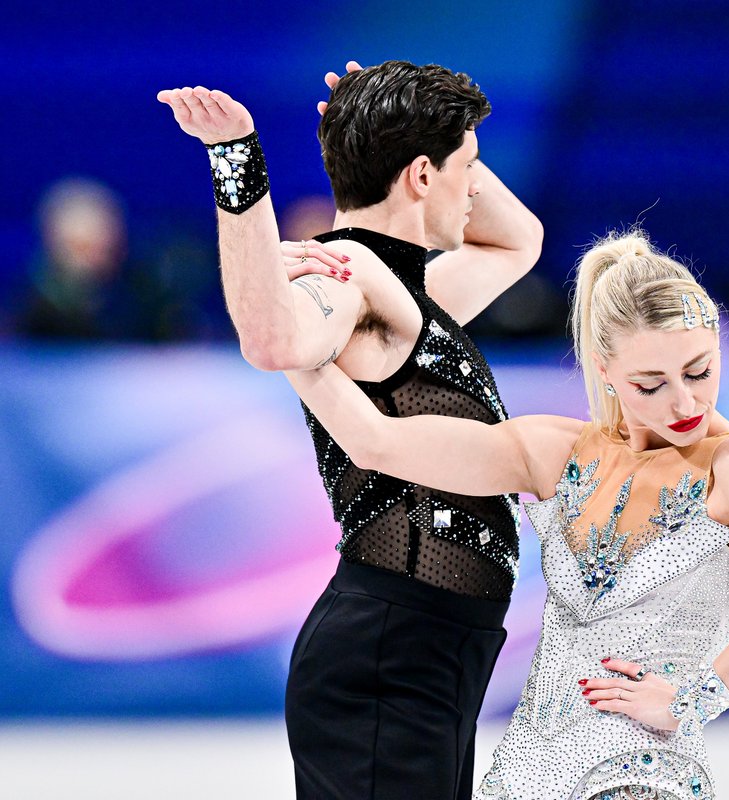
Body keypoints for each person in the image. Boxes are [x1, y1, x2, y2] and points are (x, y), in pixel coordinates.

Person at [288, 230, 729, 800]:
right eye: (650, 383)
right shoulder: (556, 451)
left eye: (699, 372)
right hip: (525, 778)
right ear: (605, 371)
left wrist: (695, 699)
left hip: (642, 777)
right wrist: (285, 338)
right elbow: (376, 444)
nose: (684, 403)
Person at [158, 60, 543, 799]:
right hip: (388, 653)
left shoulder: (414, 289)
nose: (477, 186)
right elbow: (272, 341)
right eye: (471, 165)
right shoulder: (347, 278)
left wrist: (386, 123)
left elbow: (517, 240)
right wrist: (237, 159)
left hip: (432, 651)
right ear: (424, 177)